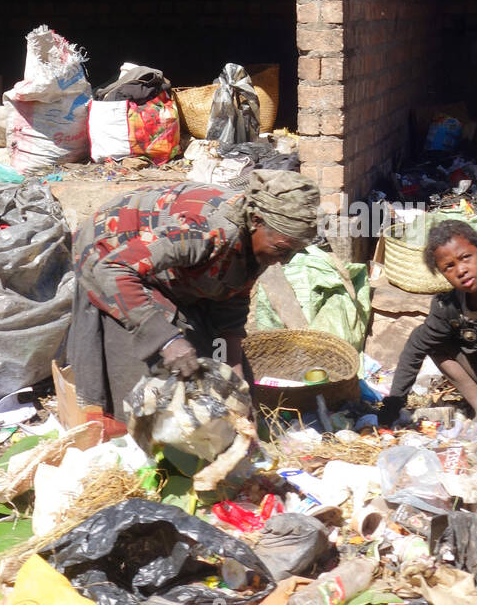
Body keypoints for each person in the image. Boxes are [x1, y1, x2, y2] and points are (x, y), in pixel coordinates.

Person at [67, 169, 321, 423]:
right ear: (256, 221)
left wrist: (236, 375)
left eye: (293, 253)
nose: (283, 260)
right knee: (156, 390)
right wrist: (166, 340)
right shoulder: (204, 232)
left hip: (166, 268)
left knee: (230, 391)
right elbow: (114, 270)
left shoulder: (262, 242)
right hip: (110, 255)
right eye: (282, 250)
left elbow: (232, 303)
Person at [377, 220, 477, 430]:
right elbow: (416, 347)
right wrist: (394, 404)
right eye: (449, 267)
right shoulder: (448, 306)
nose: (461, 270)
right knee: (432, 340)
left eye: (465, 258)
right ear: (441, 273)